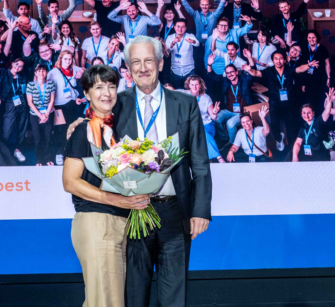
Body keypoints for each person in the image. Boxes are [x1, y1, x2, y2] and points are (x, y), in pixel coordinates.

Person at [66, 36, 212, 307]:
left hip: (174, 211)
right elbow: (95, 120)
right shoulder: (116, 102)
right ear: (128, 68)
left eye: (148, 60)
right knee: (133, 297)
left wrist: (200, 210)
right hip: (131, 213)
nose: (143, 67)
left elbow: (201, 163)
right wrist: (79, 121)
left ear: (160, 62)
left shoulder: (186, 103)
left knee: (174, 297)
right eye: (135, 62)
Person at [62, 64, 149, 307]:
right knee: (105, 302)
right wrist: (118, 200)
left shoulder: (114, 133)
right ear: (87, 94)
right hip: (96, 221)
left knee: (109, 300)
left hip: (121, 222)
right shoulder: (83, 131)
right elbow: (70, 182)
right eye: (99, 87)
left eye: (111, 86)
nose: (107, 93)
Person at [245, 49, 311, 151]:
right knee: (274, 123)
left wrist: (309, 65)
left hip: (289, 102)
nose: (278, 61)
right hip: (275, 101)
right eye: (276, 59)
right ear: (273, 60)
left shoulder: (289, 69)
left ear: (284, 60)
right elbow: (256, 73)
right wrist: (249, 70)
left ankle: (292, 144)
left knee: (290, 123)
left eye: (280, 58)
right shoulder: (269, 71)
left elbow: (299, 69)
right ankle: (279, 139)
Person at [0, 41, 29, 163]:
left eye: (21, 66)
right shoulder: (3, 72)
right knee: (7, 128)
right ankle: (5, 150)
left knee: (22, 126)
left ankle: (17, 149)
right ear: (12, 63)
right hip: (9, 103)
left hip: (22, 103)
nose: (18, 67)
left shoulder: (22, 76)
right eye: (17, 64)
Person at [178, 0, 228, 77]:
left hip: (211, 45)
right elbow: (188, 9)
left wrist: (223, 0)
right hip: (199, 45)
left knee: (210, 64)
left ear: (209, 5)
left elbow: (219, 10)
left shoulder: (213, 15)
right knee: (198, 66)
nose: (204, 7)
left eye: (206, 5)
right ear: (200, 5)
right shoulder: (196, 14)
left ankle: (209, 82)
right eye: (203, 5)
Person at [49, 50, 86, 164]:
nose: (68, 61)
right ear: (60, 59)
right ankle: (60, 153)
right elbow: (49, 89)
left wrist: (81, 72)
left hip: (73, 103)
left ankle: (72, 152)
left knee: (73, 128)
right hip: (59, 105)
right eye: (65, 59)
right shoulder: (54, 72)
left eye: (70, 59)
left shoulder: (75, 69)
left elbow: (84, 71)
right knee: (60, 130)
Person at [184, 75, 224, 163]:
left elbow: (213, 117)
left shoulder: (206, 98)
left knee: (202, 133)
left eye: (196, 84)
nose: (194, 87)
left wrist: (215, 112)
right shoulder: (183, 96)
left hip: (206, 124)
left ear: (200, 85)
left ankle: (210, 159)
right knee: (200, 132)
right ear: (189, 85)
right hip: (191, 125)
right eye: (192, 84)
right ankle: (218, 157)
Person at [209, 63, 252, 144]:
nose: (229, 74)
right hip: (228, 111)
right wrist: (209, 65)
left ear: (236, 72)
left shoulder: (244, 81)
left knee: (230, 124)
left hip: (241, 113)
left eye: (231, 72)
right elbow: (212, 75)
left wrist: (250, 68)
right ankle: (224, 139)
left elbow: (251, 76)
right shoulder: (225, 82)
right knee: (216, 118)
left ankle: (233, 144)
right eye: (227, 73)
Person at [291, 90, 333, 162]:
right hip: (309, 155)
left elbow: (327, 112)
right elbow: (298, 142)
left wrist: (329, 102)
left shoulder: (319, 121)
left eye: (309, 113)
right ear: (301, 114)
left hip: (321, 156)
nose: (306, 115)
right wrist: (295, 156)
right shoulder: (303, 127)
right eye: (304, 113)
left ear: (313, 113)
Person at [26, 64, 56, 166]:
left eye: (43, 71)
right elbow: (30, 102)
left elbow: (52, 100)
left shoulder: (51, 84)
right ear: (35, 73)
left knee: (47, 136)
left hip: (48, 113)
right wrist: (40, 115)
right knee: (37, 138)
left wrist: (46, 114)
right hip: (35, 114)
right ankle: (39, 160)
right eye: (39, 71)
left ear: (46, 73)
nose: (41, 73)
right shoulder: (30, 85)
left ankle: (48, 159)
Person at [297, 29, 330, 114]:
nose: (311, 39)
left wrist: (328, 77)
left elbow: (327, 64)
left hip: (318, 79)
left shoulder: (322, 48)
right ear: (307, 38)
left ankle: (316, 119)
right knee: (306, 100)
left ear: (317, 38)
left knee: (317, 101)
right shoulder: (303, 48)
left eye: (313, 38)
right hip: (305, 79)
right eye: (309, 38)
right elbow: (300, 65)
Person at [165, 18, 200, 88]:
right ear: (174, 27)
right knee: (176, 93)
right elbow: (166, 51)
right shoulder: (170, 37)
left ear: (186, 28)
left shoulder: (190, 36)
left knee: (189, 92)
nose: (180, 29)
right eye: (178, 26)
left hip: (189, 70)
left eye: (182, 27)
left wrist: (192, 42)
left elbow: (198, 44)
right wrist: (173, 43)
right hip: (175, 70)